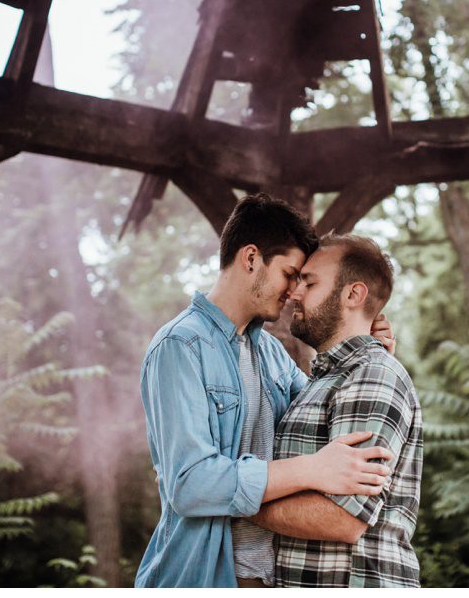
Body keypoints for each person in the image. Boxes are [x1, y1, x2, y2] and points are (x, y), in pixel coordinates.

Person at [136, 194, 397, 588]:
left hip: (271, 578)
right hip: (204, 576)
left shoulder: (270, 353)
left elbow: (318, 417)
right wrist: (310, 469)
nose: (294, 291)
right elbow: (189, 485)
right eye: (290, 273)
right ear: (251, 259)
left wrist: (370, 355)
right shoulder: (179, 346)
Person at [252, 232, 422, 588]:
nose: (294, 293)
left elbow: (342, 519)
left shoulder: (372, 375)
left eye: (309, 283)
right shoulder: (326, 381)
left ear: (353, 295)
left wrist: (225, 499)